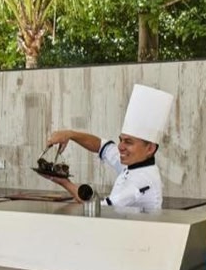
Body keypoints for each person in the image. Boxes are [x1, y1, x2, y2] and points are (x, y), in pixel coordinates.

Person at [45, 84, 174, 212]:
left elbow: (98, 208)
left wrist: (64, 182)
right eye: (121, 140)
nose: (120, 147)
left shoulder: (141, 182)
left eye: (128, 142)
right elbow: (101, 146)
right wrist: (70, 134)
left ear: (150, 149)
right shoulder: (134, 163)